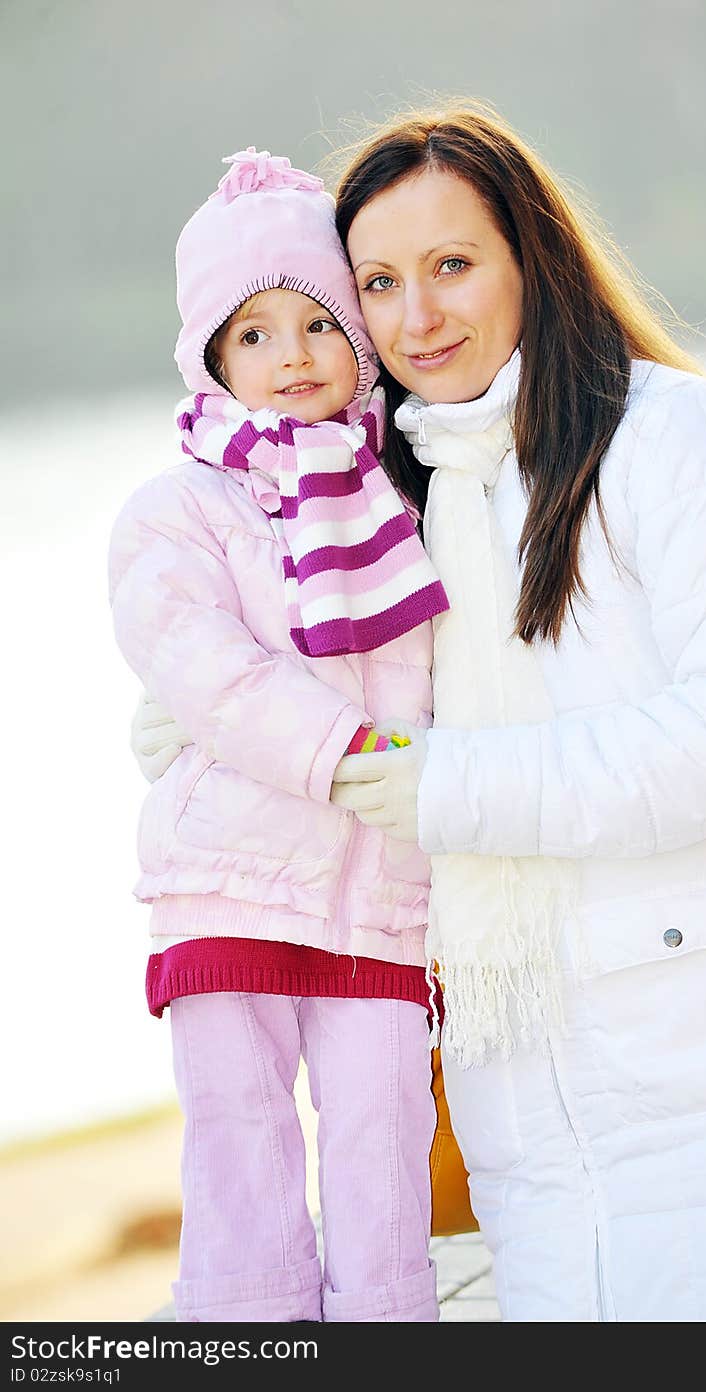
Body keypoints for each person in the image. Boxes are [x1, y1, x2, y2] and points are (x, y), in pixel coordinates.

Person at [134, 108, 706, 1322]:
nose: (416, 315)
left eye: (451, 265)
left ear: (531, 255)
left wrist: (447, 783)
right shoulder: (404, 500)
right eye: (376, 282)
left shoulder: (680, 437)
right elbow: (337, 675)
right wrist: (211, 710)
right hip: (529, 1115)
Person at [109, 147, 449, 1323]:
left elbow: (462, 668)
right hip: (231, 881)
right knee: (239, 1140)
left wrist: (447, 780)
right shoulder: (178, 509)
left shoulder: (409, 495)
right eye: (251, 335)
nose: (289, 358)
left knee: (381, 1136)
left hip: (382, 896)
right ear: (209, 357)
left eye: (314, 324)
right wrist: (361, 757)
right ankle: (245, 1336)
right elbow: (209, 672)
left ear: (357, 335)